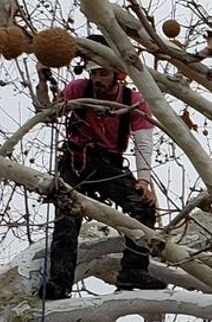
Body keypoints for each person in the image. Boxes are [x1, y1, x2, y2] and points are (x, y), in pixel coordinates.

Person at [41, 59, 164, 299]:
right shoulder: (79, 89)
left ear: (117, 74)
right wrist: (43, 80)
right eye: (94, 74)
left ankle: (133, 270)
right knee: (66, 223)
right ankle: (59, 283)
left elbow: (143, 142)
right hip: (76, 162)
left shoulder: (133, 100)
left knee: (143, 207)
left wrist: (144, 181)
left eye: (103, 73)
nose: (97, 79)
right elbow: (48, 113)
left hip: (107, 165)